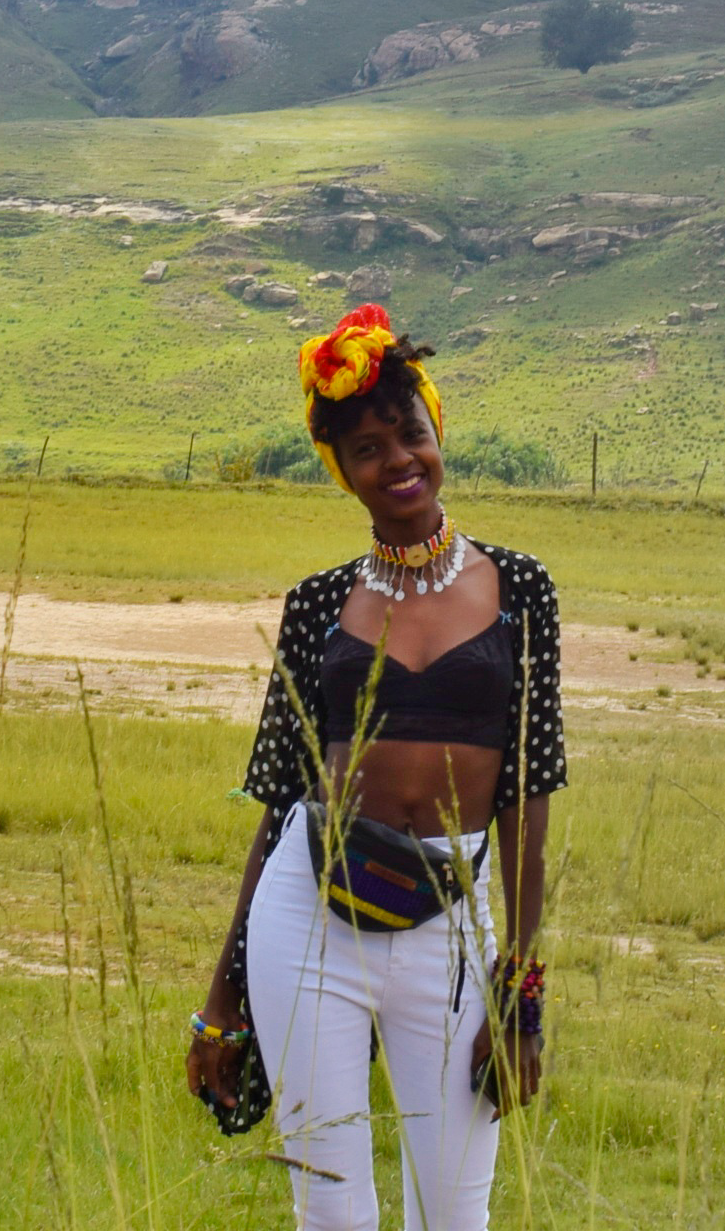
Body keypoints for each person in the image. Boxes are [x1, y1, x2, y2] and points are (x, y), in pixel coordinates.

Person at [188, 303, 566, 1230]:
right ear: (342, 471)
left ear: (438, 433)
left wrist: (520, 1001)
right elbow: (279, 805)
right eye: (367, 448)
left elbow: (527, 798)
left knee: (454, 1215)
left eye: (412, 435)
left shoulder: (522, 590)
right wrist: (220, 999)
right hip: (306, 924)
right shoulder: (318, 603)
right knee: (334, 1216)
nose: (398, 461)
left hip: (452, 933)